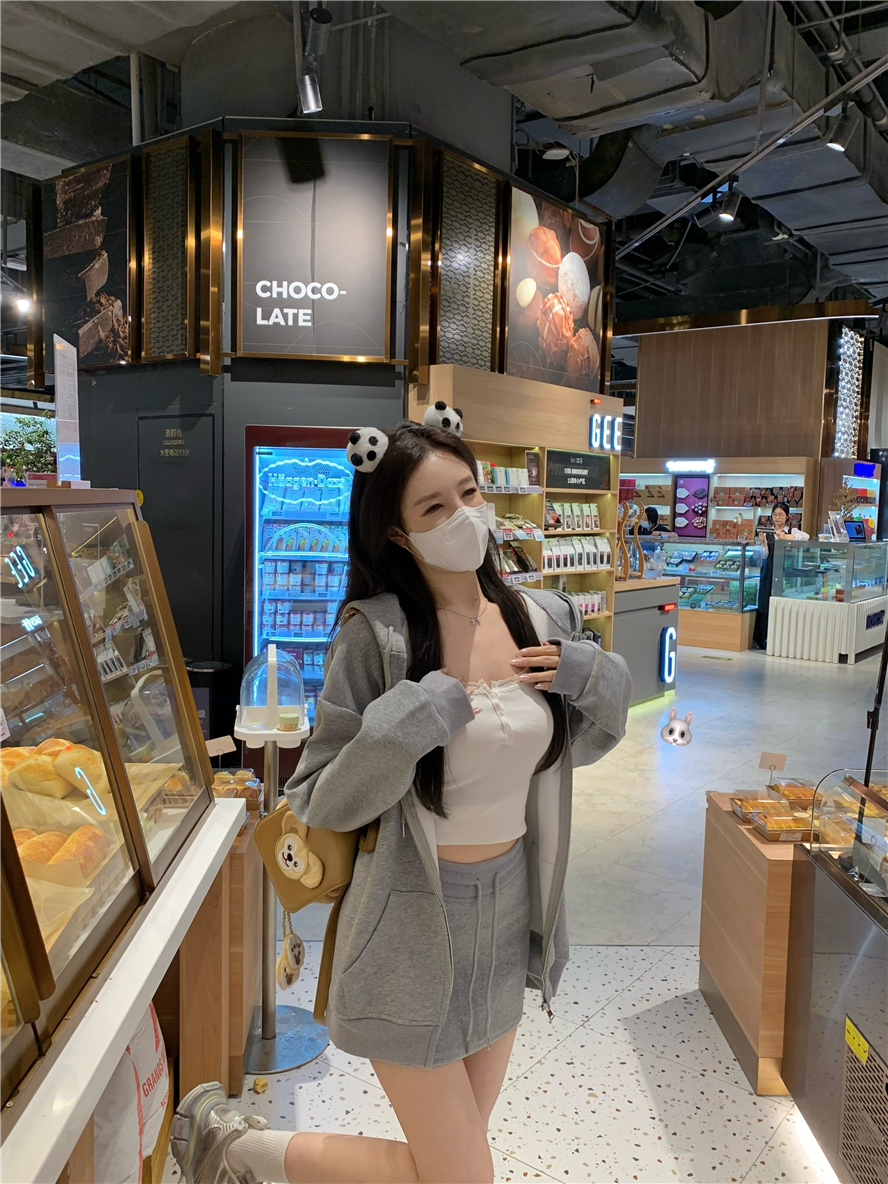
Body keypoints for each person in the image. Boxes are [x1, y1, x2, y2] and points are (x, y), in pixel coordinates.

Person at [172, 417, 631, 1184]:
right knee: (463, 1174)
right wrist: (411, 722)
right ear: (397, 531)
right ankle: (238, 1148)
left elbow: (581, 747)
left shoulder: (542, 617)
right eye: (434, 508)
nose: (464, 517)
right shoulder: (375, 636)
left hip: (509, 911)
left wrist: (592, 674)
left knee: (446, 1163)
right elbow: (321, 801)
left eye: (469, 494)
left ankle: (230, 1149)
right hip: (408, 919)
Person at [753, 501, 809, 649]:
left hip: (787, 573)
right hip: (769, 571)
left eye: (780, 515)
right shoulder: (767, 532)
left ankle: (782, 637)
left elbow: (806, 537)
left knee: (784, 603)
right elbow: (764, 556)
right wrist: (763, 543)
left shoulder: (792, 531)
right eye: (775, 514)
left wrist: (785, 537)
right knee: (765, 602)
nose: (777, 518)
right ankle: (763, 639)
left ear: (787, 516)